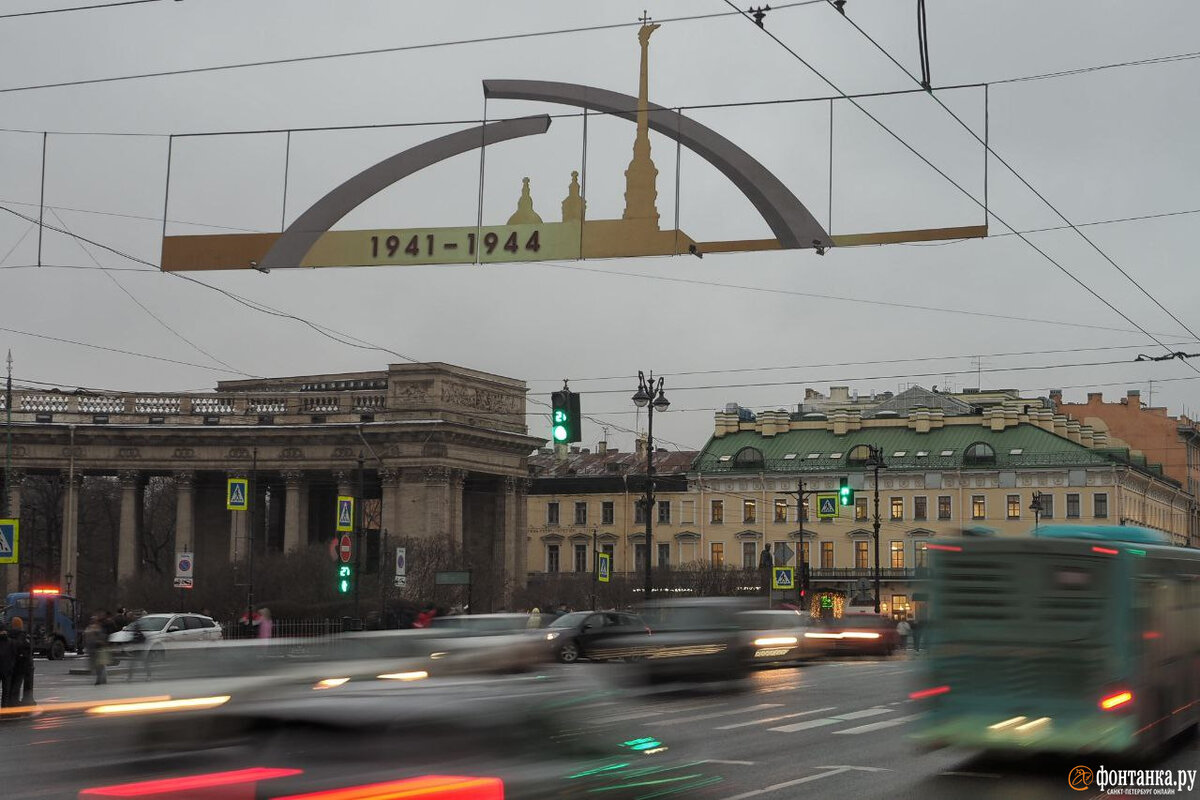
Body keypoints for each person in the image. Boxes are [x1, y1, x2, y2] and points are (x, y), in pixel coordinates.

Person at [8, 616, 33, 705]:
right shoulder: (23, 636)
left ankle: (10, 701)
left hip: (10, 664)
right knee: (17, 684)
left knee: (11, 685)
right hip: (21, 664)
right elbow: (27, 650)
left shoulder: (9, 635)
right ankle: (15, 702)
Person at [84, 616, 109, 686]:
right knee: (98, 665)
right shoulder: (90, 628)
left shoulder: (98, 628)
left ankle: (100, 679)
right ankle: (102, 679)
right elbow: (87, 638)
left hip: (98, 648)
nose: (92, 621)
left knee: (100, 665)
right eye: (92, 620)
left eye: (94, 620)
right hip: (93, 648)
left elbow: (101, 638)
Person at [0, 629, 15, 708]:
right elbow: (14, 655)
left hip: (6, 669)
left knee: (6, 690)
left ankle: (4, 706)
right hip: (7, 669)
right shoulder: (11, 642)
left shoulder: (10, 642)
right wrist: (11, 666)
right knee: (6, 691)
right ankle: (4, 707)